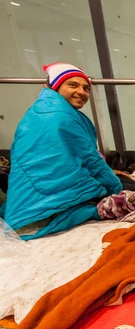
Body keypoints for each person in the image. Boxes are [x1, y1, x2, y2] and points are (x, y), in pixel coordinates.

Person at [0, 63, 122, 239]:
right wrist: (116, 188)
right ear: (55, 86)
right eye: (72, 85)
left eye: (86, 88)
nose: (82, 92)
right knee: (132, 195)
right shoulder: (60, 116)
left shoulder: (39, 111)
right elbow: (91, 159)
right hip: (45, 207)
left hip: (24, 201)